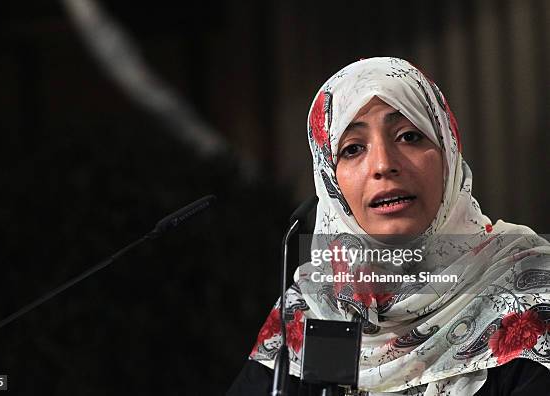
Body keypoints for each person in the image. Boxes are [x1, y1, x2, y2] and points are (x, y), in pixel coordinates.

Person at [227, 57, 550, 395]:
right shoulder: (315, 306)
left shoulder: (530, 294)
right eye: (352, 149)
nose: (383, 164)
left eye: (409, 136)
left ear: (448, 153)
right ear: (330, 182)